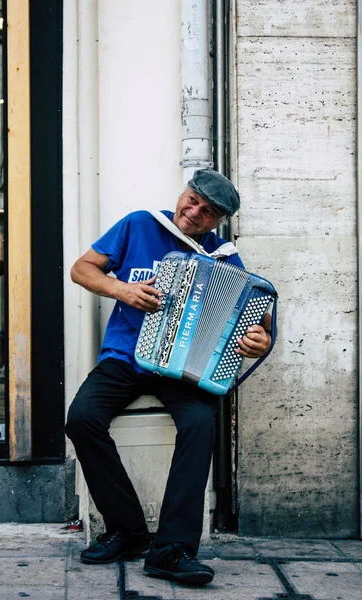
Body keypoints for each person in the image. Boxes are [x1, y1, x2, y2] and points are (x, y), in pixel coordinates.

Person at [66, 169, 272, 586]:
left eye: (207, 211)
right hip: (124, 358)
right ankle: (128, 530)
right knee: (81, 418)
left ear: (217, 222)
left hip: (182, 370)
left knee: (200, 424)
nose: (193, 212)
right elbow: (81, 269)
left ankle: (171, 550)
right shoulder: (141, 224)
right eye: (192, 199)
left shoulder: (225, 257)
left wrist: (258, 340)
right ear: (183, 194)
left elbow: (259, 322)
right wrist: (121, 290)